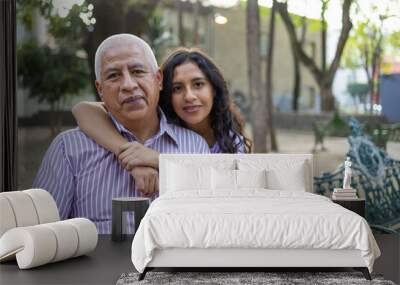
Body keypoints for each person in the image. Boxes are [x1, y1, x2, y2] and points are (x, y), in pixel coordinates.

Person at [33, 34, 210, 234]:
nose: (128, 84)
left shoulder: (194, 147)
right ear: (100, 90)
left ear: (158, 79)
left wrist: (162, 163)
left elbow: (206, 228)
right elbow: (42, 235)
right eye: (113, 75)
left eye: (137, 71)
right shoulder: (69, 149)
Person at [72, 48, 252, 171]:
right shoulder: (158, 122)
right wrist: (125, 150)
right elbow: (83, 110)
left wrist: (159, 160)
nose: (189, 96)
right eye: (177, 88)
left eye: (198, 84)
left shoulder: (232, 142)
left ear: (213, 89)